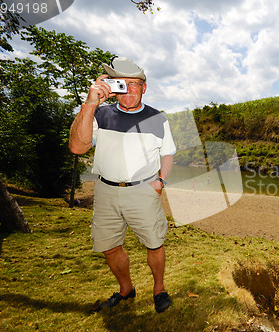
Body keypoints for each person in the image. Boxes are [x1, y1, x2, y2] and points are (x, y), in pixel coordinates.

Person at [69, 57, 176, 313]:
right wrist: (90, 103)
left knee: (154, 243)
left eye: (135, 84)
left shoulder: (158, 119)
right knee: (109, 246)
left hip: (143, 191)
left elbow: (168, 153)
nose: (128, 90)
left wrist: (161, 181)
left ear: (144, 88)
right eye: (122, 84)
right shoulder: (99, 114)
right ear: (112, 86)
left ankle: (159, 289)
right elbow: (77, 147)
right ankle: (126, 289)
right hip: (106, 191)